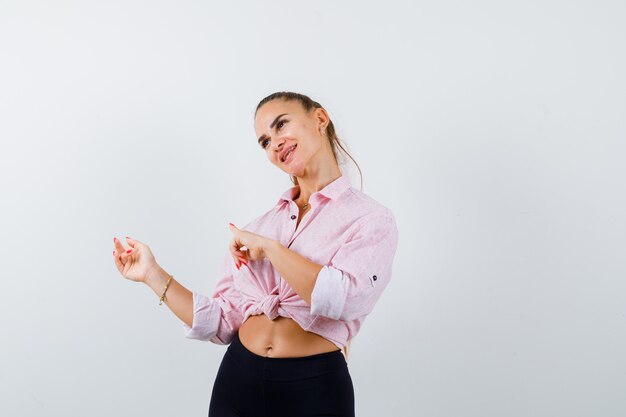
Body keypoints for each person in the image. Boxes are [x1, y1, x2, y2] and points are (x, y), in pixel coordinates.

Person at [112, 91, 399, 417]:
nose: (275, 143)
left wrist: (272, 250)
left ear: (320, 119)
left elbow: (343, 300)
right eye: (265, 141)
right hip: (238, 379)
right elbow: (220, 322)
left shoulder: (370, 219)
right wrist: (152, 273)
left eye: (281, 125)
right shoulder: (260, 226)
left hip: (314, 388)